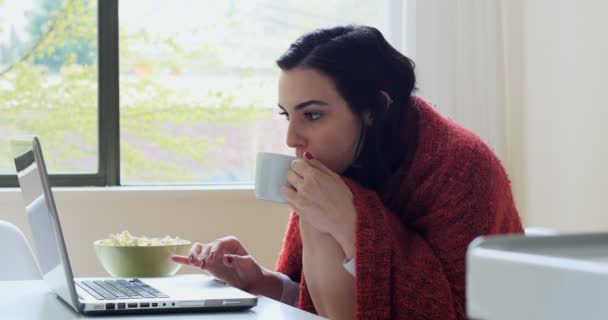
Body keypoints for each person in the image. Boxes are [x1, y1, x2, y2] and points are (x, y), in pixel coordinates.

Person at [171, 25, 523, 320]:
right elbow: (312, 301)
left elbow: (452, 313)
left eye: (312, 115)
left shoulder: (460, 168)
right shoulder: (338, 165)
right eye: (286, 115)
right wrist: (258, 280)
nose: (292, 137)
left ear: (374, 108)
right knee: (318, 209)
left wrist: (350, 222)